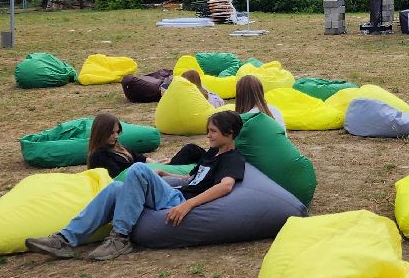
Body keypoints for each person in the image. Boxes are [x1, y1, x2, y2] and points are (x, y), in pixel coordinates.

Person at [27, 110, 246, 262]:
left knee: (138, 168)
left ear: (229, 133)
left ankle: (120, 237)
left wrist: (188, 205)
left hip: (180, 200)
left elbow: (225, 186)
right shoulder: (211, 153)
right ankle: (65, 238)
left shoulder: (232, 158)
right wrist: (165, 174)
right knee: (115, 188)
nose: (208, 135)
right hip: (176, 191)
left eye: (213, 131)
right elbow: (192, 179)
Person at [85, 112, 147, 179]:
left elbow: (140, 158)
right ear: (101, 133)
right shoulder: (99, 156)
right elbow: (118, 177)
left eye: (117, 132)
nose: (116, 136)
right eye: (112, 133)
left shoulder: (117, 147)